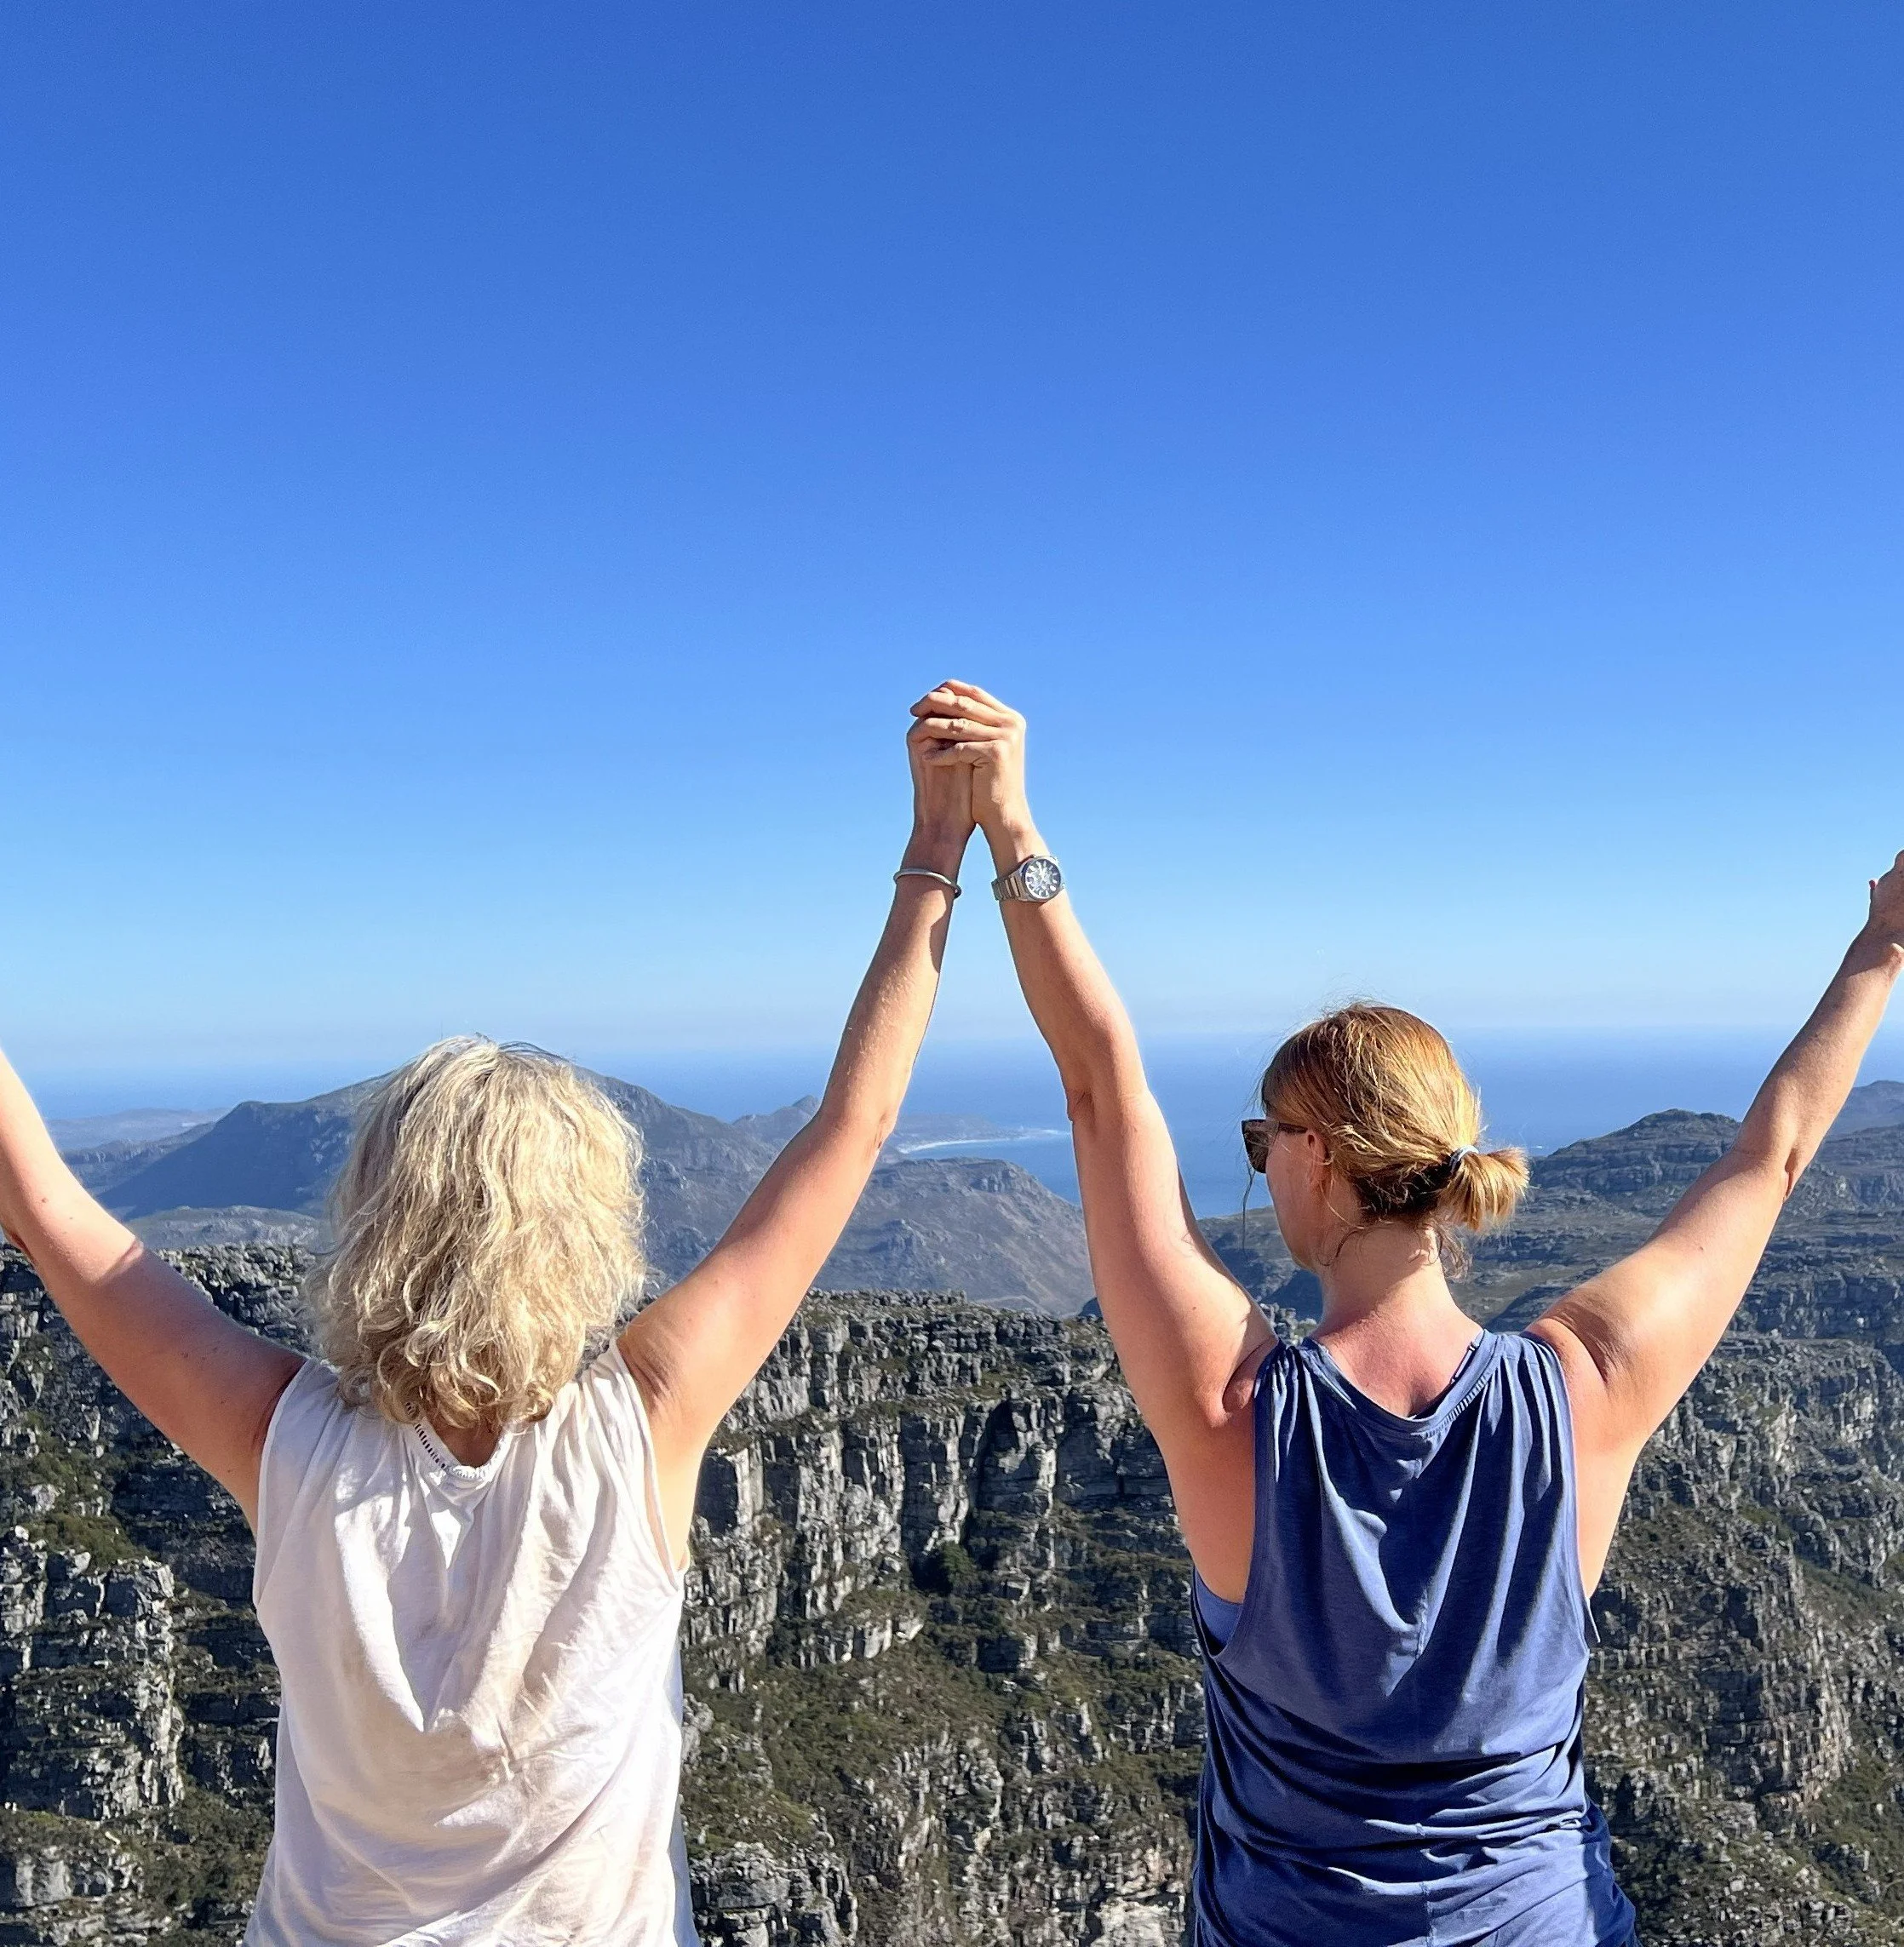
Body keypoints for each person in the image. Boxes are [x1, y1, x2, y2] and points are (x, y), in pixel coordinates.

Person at [909, 679, 1904, 1947]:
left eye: (1264, 1139)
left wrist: (1011, 830)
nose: (1258, 1164)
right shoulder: (1584, 1392)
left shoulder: (1235, 1413)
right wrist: (1885, 943)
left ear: (1319, 1156)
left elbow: (1101, 1087)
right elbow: (1773, 1158)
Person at [0, 707, 978, 1946]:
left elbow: (43, 1205)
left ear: (372, 1217)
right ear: (587, 1231)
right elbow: (854, 1126)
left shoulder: (283, 1443)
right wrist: (939, 844)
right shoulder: (642, 1423)